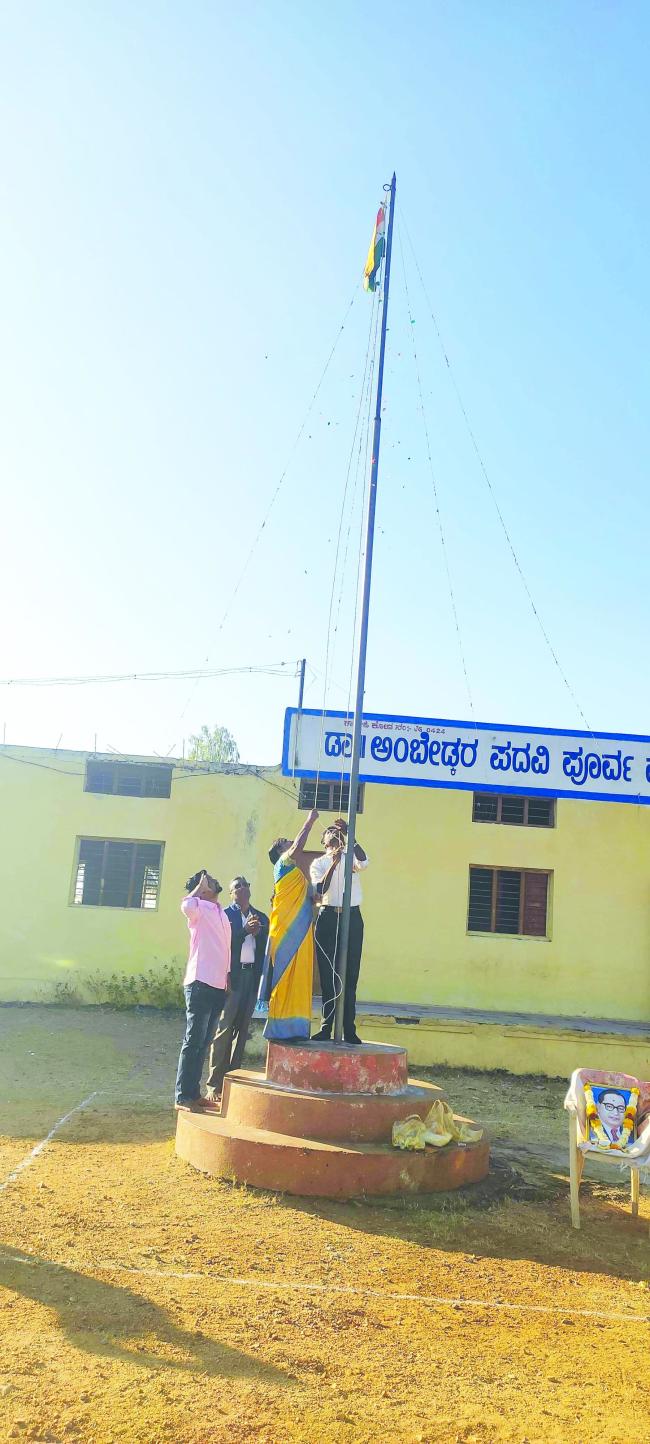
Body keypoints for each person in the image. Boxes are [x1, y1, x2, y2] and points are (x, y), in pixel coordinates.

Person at [204, 877, 269, 1102]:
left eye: (245, 884)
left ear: (250, 889)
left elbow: (266, 949)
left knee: (242, 1031)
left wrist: (259, 934)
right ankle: (214, 1084)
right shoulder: (224, 916)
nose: (242, 888)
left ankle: (233, 1082)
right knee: (224, 1030)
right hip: (232, 978)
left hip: (251, 977)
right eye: (236, 886)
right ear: (231, 894)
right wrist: (243, 932)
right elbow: (221, 945)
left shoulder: (260, 917)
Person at [174, 869, 231, 1111]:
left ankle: (194, 1093)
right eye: (209, 880)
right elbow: (186, 906)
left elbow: (224, 948)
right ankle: (182, 1097)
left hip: (218, 984)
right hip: (200, 982)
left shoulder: (220, 911)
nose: (214, 880)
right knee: (193, 1041)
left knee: (204, 1043)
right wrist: (199, 887)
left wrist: (227, 977)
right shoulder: (197, 907)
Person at [310, 818, 368, 1045]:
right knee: (328, 974)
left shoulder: (350, 857)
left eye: (337, 832)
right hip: (328, 916)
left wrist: (350, 834)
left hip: (351, 917)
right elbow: (320, 889)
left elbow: (364, 862)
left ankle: (349, 1029)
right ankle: (326, 1027)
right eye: (329, 832)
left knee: (350, 974)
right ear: (323, 841)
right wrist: (334, 863)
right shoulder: (319, 863)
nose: (334, 833)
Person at [264, 808, 320, 1041]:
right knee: (284, 979)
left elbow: (310, 897)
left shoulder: (296, 874)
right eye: (287, 842)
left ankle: (296, 1030)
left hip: (302, 929)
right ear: (281, 851)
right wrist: (309, 821)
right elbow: (297, 846)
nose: (291, 843)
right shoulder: (282, 865)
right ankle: (277, 1029)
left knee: (299, 980)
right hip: (286, 930)